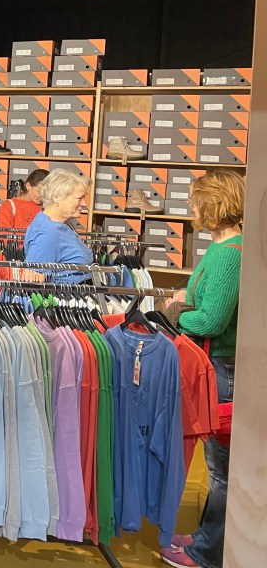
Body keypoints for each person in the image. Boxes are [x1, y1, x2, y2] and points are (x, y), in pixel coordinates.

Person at [161, 169, 244, 568]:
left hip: (221, 370)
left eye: (195, 201)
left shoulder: (229, 255)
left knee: (222, 470)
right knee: (218, 468)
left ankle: (206, 553)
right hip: (216, 366)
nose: (191, 207)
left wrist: (174, 312)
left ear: (213, 203)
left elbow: (211, 321)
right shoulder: (221, 248)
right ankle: (206, 538)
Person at [23, 168, 93, 283]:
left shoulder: (62, 225)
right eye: (79, 198)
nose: (84, 203)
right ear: (56, 197)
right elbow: (33, 284)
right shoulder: (47, 234)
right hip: (69, 293)